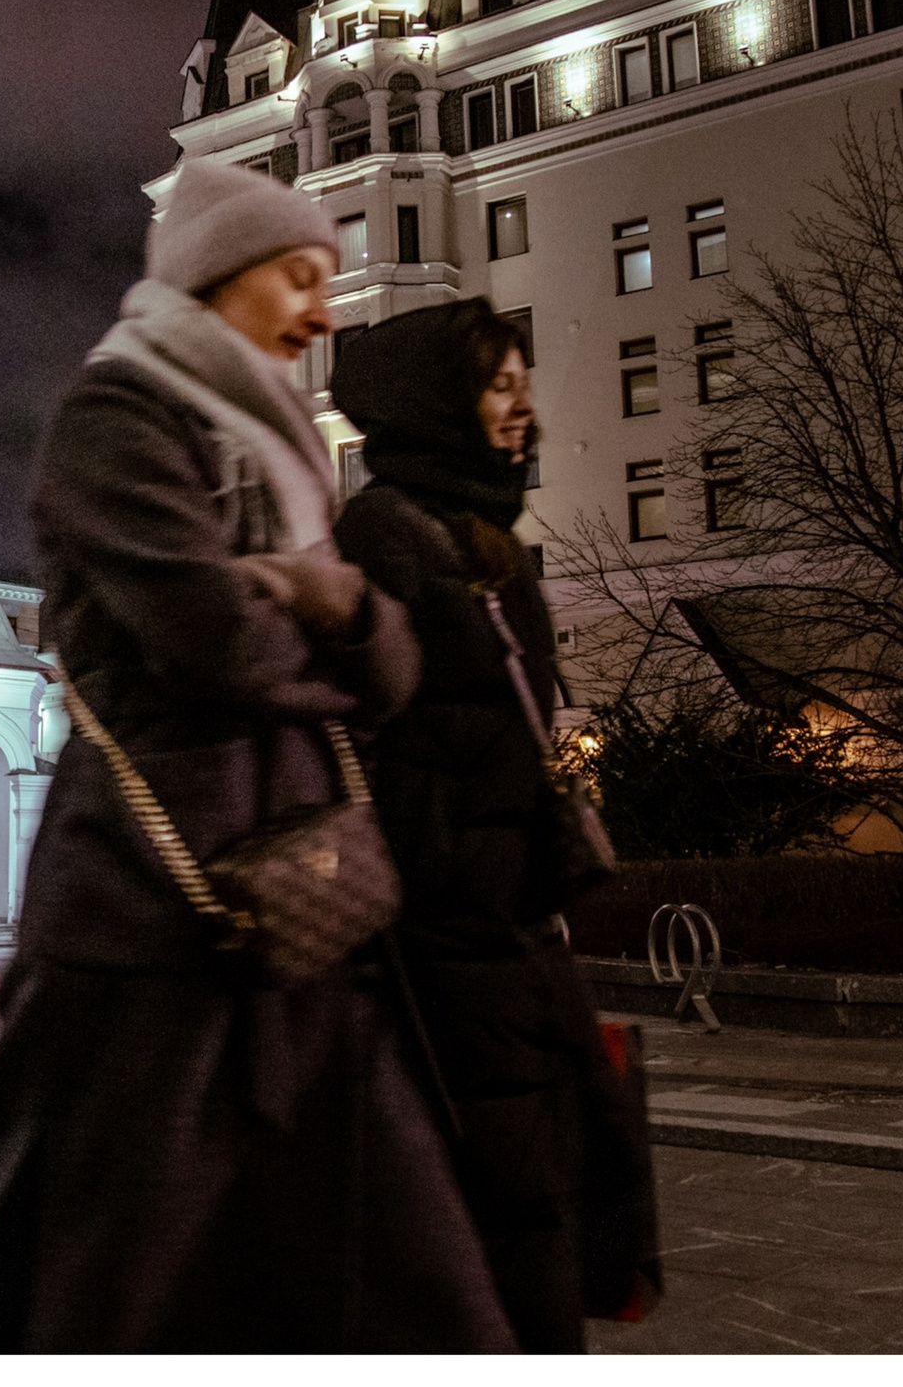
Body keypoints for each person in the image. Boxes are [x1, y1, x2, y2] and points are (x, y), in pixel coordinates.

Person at [0, 161, 515, 1353]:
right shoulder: (115, 418)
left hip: (307, 900)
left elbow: (392, 666)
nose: (324, 309)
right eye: (298, 273)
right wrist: (331, 613)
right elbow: (208, 637)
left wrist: (325, 604)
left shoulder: (275, 439)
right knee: (81, 1263)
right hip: (151, 907)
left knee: (401, 1266)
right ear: (216, 272)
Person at [332, 298, 650, 1353]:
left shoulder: (492, 541)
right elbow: (364, 739)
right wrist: (457, 867)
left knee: (550, 1187)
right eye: (496, 383)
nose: (521, 407)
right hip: (440, 944)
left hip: (513, 929)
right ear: (437, 399)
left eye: (522, 380)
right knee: (493, 1212)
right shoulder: (385, 529)